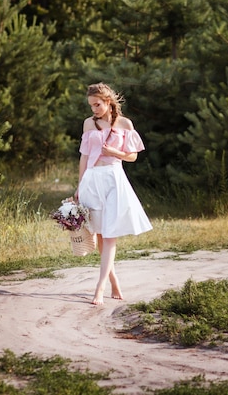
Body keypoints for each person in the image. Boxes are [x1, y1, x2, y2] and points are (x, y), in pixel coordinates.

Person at [75, 82, 153, 305]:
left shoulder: (125, 123)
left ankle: (99, 288)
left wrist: (114, 152)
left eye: (97, 105)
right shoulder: (88, 124)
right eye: (91, 106)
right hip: (92, 179)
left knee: (110, 235)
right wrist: (80, 185)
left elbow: (132, 156)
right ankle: (114, 280)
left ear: (108, 102)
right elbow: (83, 156)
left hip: (114, 179)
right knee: (99, 234)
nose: (94, 110)